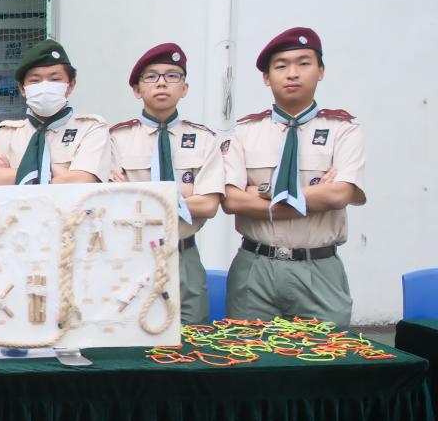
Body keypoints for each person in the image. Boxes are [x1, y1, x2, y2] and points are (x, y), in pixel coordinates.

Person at [221, 27, 365, 327]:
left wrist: (262, 193)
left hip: (318, 268)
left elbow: (340, 194)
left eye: (304, 63)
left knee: (325, 353)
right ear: (266, 77)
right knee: (247, 353)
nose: (292, 73)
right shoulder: (244, 133)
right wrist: (311, 197)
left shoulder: (343, 130)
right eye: (281, 66)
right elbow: (232, 201)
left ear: (321, 71)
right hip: (255, 268)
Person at [108, 43, 224, 324]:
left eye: (172, 76)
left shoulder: (204, 140)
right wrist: (185, 199)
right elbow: (110, 203)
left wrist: (136, 195)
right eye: (151, 76)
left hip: (183, 255)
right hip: (131, 257)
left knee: (192, 336)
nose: (161, 83)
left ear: (184, 88)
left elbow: (209, 205)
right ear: (137, 90)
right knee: (128, 334)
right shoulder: (116, 140)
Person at [0, 39, 108, 187]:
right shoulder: (7, 133)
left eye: (55, 79)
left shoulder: (91, 129)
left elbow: (84, 181)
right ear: (22, 88)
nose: (45, 86)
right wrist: (56, 172)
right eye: (35, 80)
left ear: (70, 85)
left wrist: (13, 175)